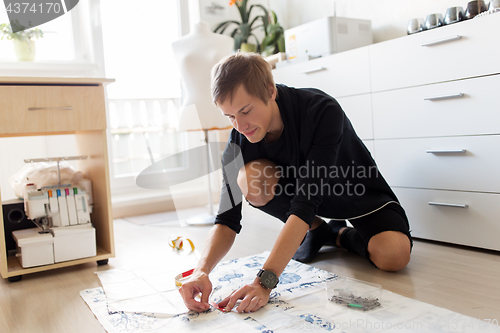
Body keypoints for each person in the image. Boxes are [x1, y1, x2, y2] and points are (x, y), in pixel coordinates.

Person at [178, 52, 412, 314]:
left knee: (394, 256)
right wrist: (201, 271)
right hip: (306, 205)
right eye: (230, 116)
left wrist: (263, 283)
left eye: (245, 111)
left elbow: (304, 204)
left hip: (358, 196)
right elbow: (226, 221)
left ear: (269, 91)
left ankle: (340, 235)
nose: (240, 125)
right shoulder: (237, 143)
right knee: (249, 178)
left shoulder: (322, 110)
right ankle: (319, 230)